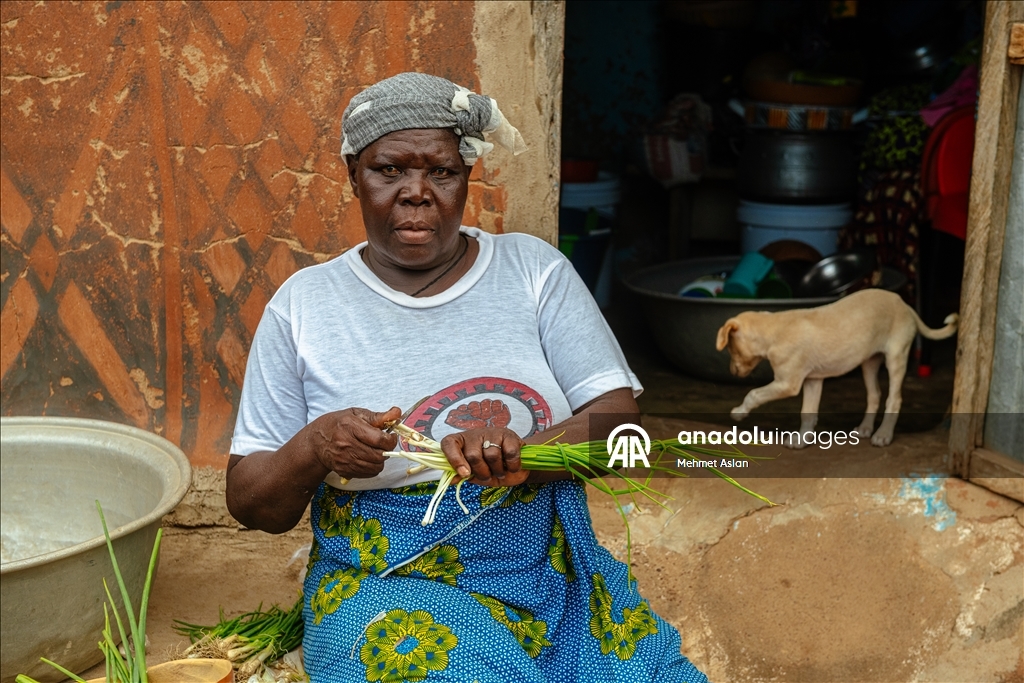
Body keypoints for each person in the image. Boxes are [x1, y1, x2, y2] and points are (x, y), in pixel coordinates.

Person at [226, 72, 709, 683]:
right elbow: (249, 502)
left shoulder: (534, 272)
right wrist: (315, 447)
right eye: (389, 170)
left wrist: (526, 454)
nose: (417, 193)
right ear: (353, 175)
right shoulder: (305, 306)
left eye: (442, 172)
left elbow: (619, 427)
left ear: (467, 177)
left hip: (545, 577)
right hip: (383, 587)